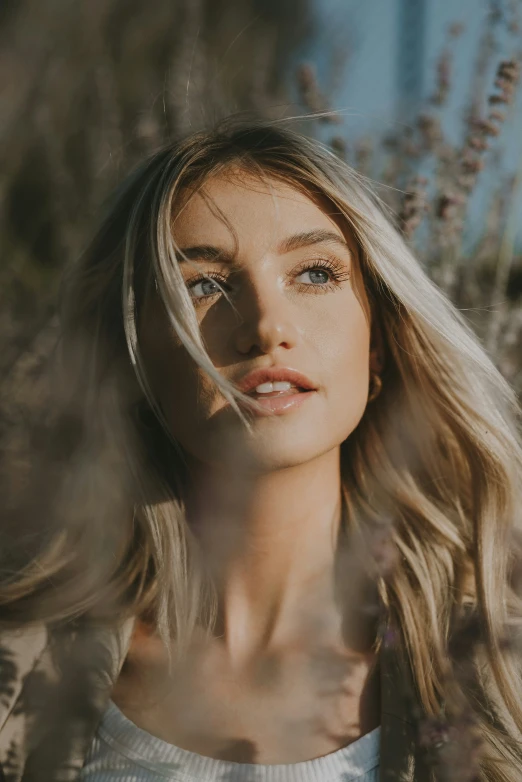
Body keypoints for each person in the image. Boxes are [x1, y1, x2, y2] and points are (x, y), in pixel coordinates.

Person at [0, 116, 521, 782]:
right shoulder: (21, 672)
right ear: (130, 361)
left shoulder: (502, 675)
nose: (267, 328)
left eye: (314, 273)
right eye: (203, 285)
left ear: (379, 344)